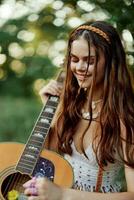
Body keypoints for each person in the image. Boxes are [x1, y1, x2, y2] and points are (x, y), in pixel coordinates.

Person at [23, 21, 134, 200]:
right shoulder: (71, 105)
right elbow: (44, 160)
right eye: (74, 59)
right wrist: (49, 111)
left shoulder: (124, 118)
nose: (80, 68)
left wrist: (63, 194)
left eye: (89, 61)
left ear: (110, 63)